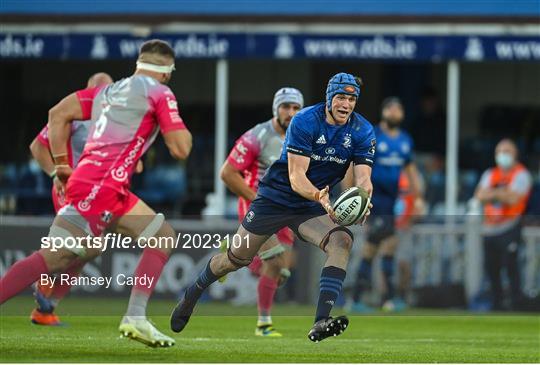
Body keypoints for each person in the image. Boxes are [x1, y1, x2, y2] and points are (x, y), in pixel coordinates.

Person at [0, 39, 192, 348]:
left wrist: (62, 165)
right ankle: (132, 316)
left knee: (161, 236)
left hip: (103, 184)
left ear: (137, 65)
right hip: (101, 186)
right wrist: (175, 120)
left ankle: (135, 317)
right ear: (167, 73)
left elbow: (57, 113)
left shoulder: (107, 92)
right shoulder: (160, 92)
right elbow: (181, 148)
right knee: (56, 258)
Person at [171, 72, 375, 342]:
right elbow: (296, 177)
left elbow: (363, 179)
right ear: (329, 98)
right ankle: (192, 294)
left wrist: (363, 199)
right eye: (340, 97)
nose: (346, 104)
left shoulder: (362, 130)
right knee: (236, 259)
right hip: (276, 198)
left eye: (351, 99)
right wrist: (321, 197)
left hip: (309, 206)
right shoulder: (304, 121)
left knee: (341, 240)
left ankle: (320, 320)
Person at [28, 72, 114, 326]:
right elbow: (37, 146)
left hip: (97, 194)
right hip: (73, 189)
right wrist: (56, 172)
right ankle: (39, 276)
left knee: (89, 250)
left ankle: (46, 308)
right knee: (86, 246)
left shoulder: (113, 121)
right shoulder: (76, 115)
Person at [220, 87, 303, 337]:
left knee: (280, 271)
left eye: (296, 108)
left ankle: (233, 254)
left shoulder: (304, 137)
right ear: (275, 109)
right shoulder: (257, 135)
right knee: (276, 259)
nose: (291, 112)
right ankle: (264, 325)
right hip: (258, 205)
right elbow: (227, 173)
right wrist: (259, 200)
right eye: (286, 107)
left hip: (285, 209)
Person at [349, 97, 425, 312]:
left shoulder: (405, 140)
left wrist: (418, 198)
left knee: (385, 246)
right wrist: (352, 191)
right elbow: (355, 163)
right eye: (390, 108)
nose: (395, 112)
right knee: (377, 246)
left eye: (398, 108)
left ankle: (378, 298)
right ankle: (371, 299)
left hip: (392, 200)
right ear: (383, 112)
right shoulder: (372, 135)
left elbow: (410, 170)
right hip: (374, 199)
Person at [474, 138, 532, 310]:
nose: (502, 155)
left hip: (510, 227)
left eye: (506, 152)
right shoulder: (490, 173)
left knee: (511, 267)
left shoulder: (522, 174)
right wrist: (502, 193)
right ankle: (496, 304)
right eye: (499, 152)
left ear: (515, 154)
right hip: (490, 228)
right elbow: (479, 196)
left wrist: (492, 193)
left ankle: (516, 304)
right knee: (492, 270)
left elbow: (514, 198)